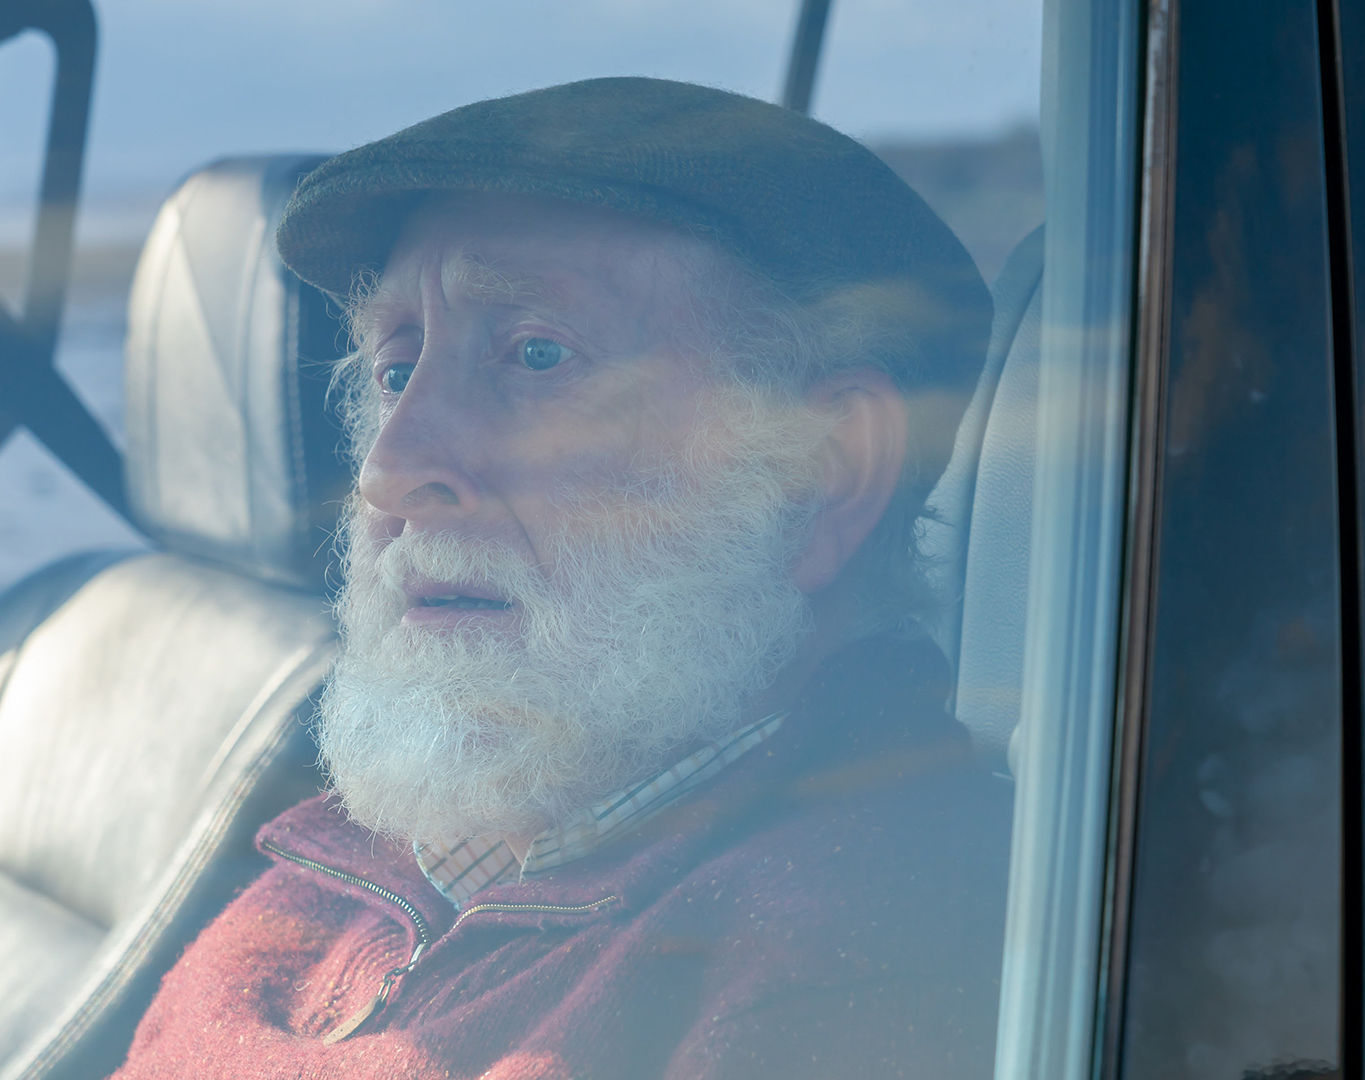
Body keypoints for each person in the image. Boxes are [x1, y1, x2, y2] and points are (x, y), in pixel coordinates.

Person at [111, 77, 1009, 1079]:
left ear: (821, 470)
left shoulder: (843, 970)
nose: (390, 470)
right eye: (396, 369)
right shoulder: (412, 846)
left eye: (538, 355)